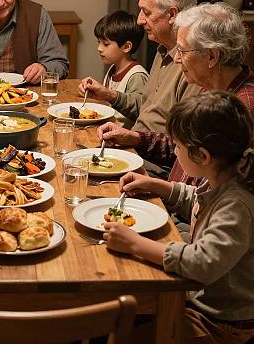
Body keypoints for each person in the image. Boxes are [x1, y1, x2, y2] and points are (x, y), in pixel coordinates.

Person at [105, 91, 254, 343]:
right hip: (199, 301)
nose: (174, 151)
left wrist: (134, 243)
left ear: (202, 156)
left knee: (117, 328)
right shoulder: (221, 178)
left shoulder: (236, 206)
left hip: (220, 322)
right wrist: (155, 185)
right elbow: (195, 198)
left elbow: (201, 264)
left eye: (178, 146)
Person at [98, 3, 254, 184]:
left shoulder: (239, 111)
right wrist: (134, 138)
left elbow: (209, 197)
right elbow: (184, 147)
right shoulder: (211, 86)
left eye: (183, 51)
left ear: (212, 57)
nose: (177, 59)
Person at [80, 0, 200, 134]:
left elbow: (184, 141)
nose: (139, 20)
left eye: (147, 12)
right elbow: (145, 108)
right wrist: (108, 94)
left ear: (172, 14)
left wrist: (134, 139)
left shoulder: (192, 63)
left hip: (149, 155)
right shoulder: (162, 51)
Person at [79, 10, 148, 128]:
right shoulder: (113, 68)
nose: (99, 48)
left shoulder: (137, 75)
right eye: (99, 42)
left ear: (126, 47)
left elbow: (141, 111)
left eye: (106, 44)